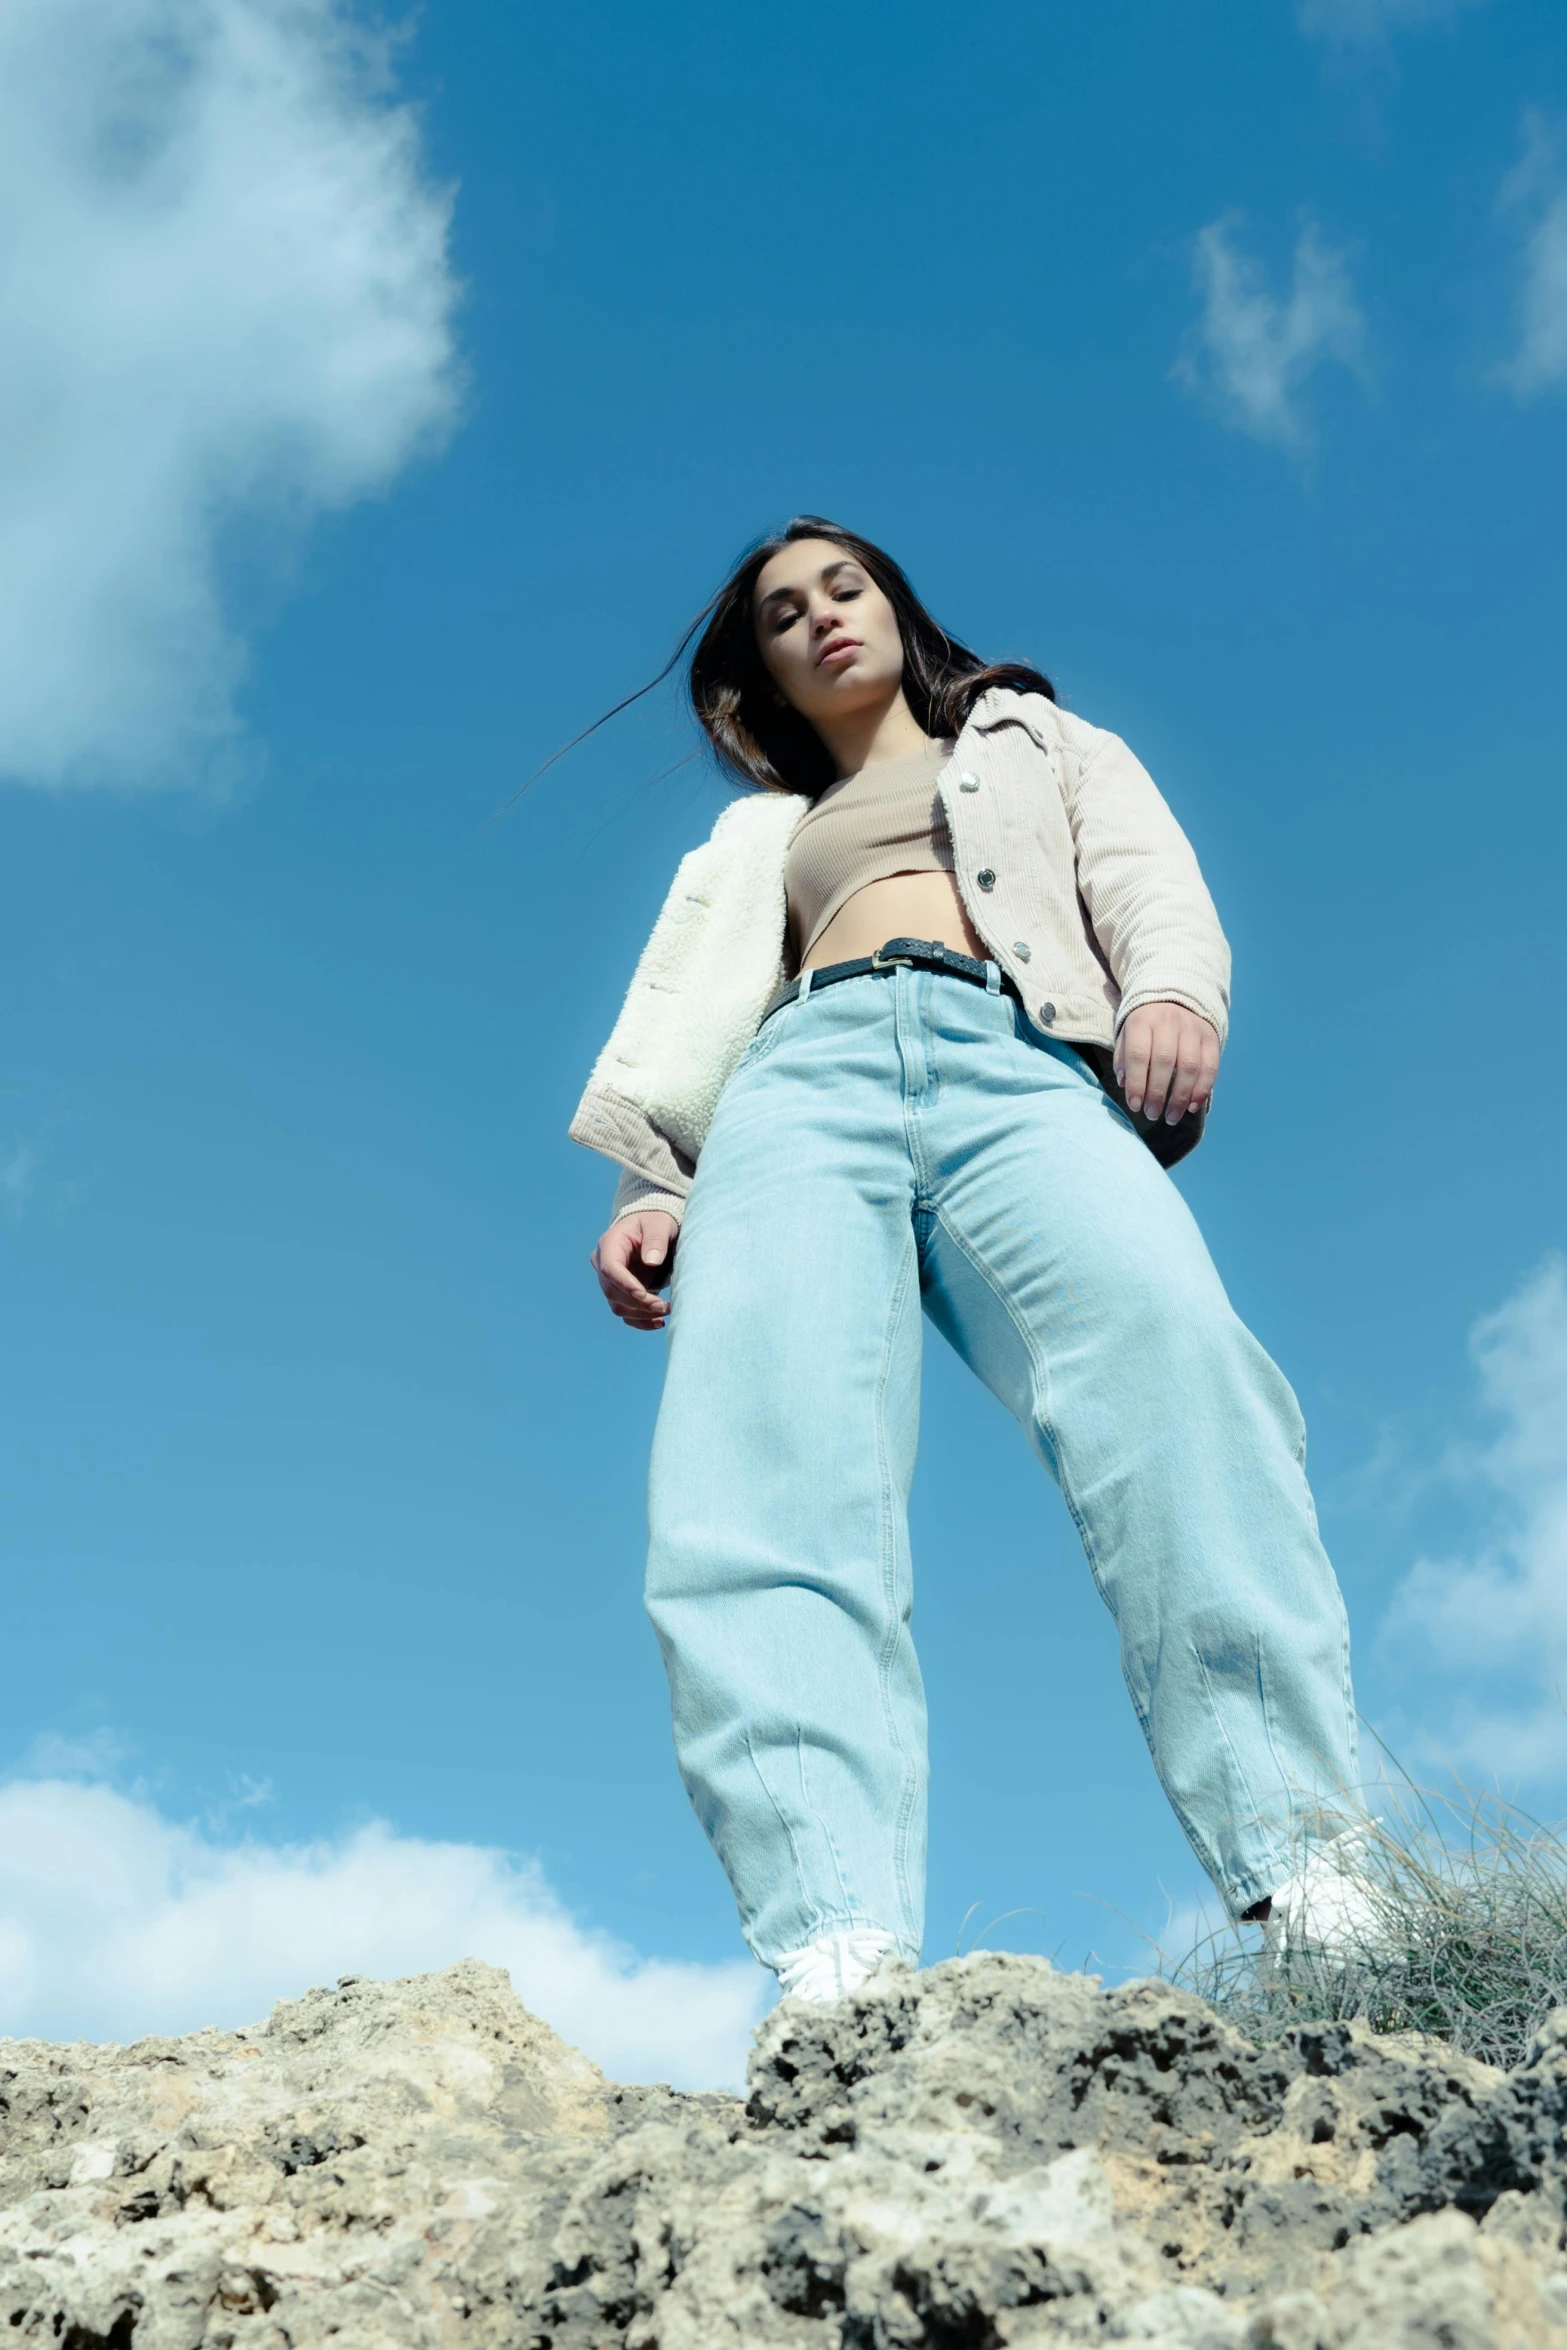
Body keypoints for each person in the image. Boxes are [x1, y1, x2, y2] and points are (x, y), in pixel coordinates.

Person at [570, 517, 1379, 2003]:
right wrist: (652, 1172)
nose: (819, 617)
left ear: (894, 604)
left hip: (1009, 1056)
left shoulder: (1031, 736)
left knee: (1180, 1374)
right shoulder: (763, 833)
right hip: (795, 1089)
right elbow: (692, 1007)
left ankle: (1309, 1863)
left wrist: (1171, 987)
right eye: (779, 615)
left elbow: (1143, 873)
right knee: (761, 1465)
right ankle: (833, 1942)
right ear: (755, 676)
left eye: (844, 587)